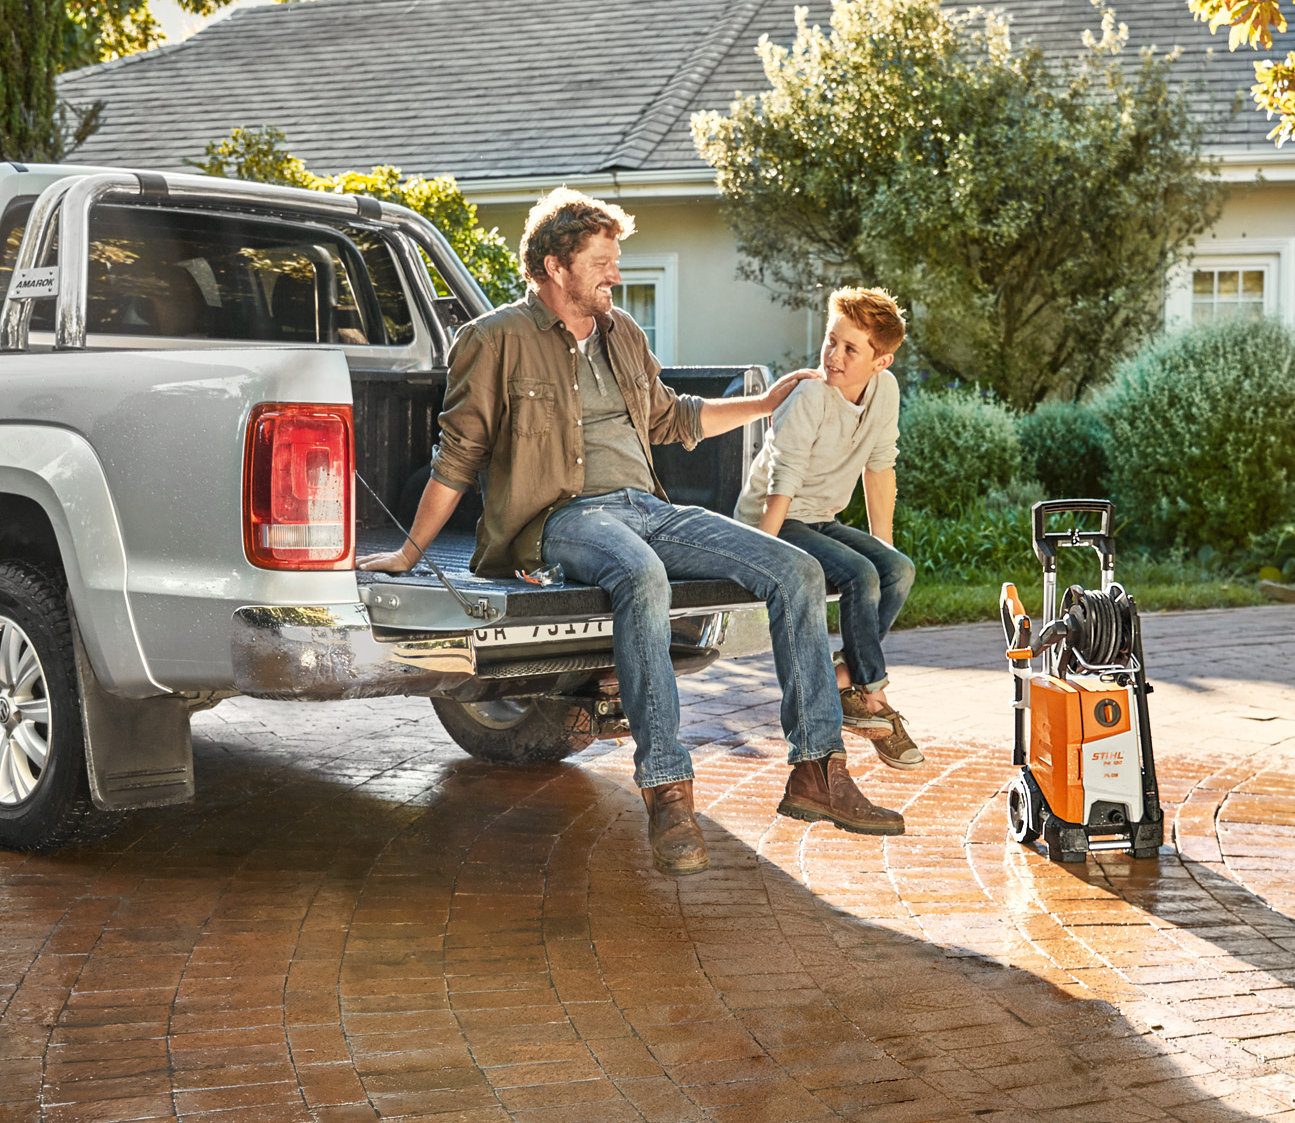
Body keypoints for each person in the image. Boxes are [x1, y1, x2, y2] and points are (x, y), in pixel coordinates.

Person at [358, 188, 904, 876]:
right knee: (639, 574)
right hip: (560, 517)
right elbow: (458, 456)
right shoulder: (492, 340)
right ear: (556, 268)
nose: (615, 273)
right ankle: (668, 790)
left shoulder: (623, 335)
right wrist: (411, 550)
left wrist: (764, 404)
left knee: (795, 570)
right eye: (602, 261)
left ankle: (817, 772)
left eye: (616, 259)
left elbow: (672, 419)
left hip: (648, 506)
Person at [735, 288, 923, 770]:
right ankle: (872, 699)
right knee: (861, 576)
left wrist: (884, 545)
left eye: (850, 348)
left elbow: (880, 468)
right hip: (773, 520)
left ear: (881, 361)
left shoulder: (887, 392)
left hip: (820, 518)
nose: (833, 357)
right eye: (831, 341)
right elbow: (784, 480)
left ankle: (847, 676)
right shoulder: (811, 395)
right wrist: (763, 549)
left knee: (896, 570)